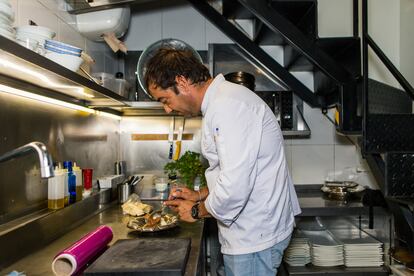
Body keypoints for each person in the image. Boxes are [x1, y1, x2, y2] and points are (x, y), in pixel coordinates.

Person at [144, 47, 301, 276]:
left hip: (253, 237)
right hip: (253, 233)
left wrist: (196, 211)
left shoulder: (229, 106)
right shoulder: (223, 102)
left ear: (182, 82)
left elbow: (235, 186)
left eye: (165, 100)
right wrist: (200, 194)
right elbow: (238, 172)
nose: (168, 109)